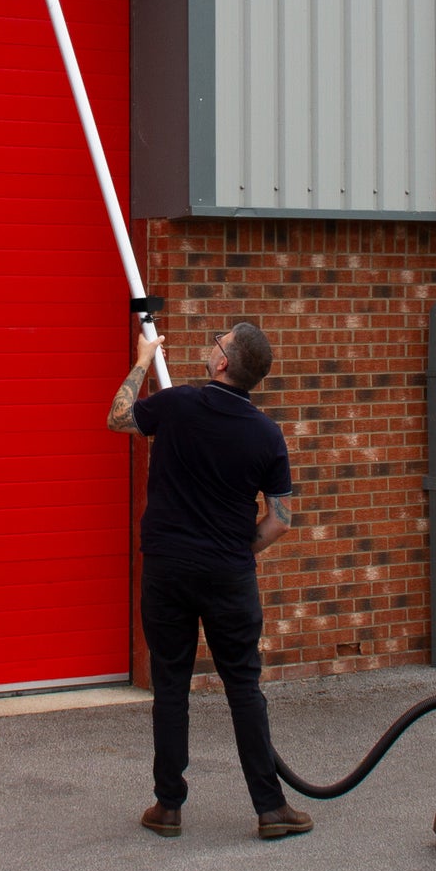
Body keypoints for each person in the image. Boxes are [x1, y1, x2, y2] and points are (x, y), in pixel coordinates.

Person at [107, 321, 313, 840]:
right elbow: (280, 521)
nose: (211, 345)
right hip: (228, 577)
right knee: (243, 687)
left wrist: (142, 360)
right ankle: (270, 809)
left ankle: (167, 807)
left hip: (167, 570)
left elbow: (118, 417)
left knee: (170, 685)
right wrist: (238, 551)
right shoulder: (266, 434)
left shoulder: (177, 404)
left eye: (219, 342)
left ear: (223, 362)